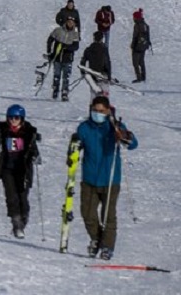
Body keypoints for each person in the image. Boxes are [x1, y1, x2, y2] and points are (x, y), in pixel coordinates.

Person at [75, 95, 138, 260]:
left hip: (110, 179)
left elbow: (132, 144)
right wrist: (73, 149)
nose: (98, 114)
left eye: (101, 111)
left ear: (108, 111)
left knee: (107, 215)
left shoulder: (114, 127)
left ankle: (107, 247)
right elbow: (76, 144)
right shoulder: (84, 128)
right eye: (95, 111)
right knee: (87, 213)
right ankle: (96, 239)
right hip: (89, 179)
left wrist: (124, 136)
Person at [0, 105, 40, 238]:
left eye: (16, 118)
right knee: (11, 197)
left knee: (22, 196)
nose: (13, 121)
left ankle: (23, 218)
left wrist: (36, 156)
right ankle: (16, 223)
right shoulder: (3, 131)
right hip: (7, 169)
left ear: (21, 119)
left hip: (23, 170)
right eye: (10, 118)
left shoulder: (28, 133)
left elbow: (33, 149)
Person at [46, 17, 81, 101]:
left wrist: (66, 47)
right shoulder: (58, 30)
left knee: (66, 76)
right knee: (56, 75)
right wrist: (49, 51)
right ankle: (55, 90)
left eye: (72, 22)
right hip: (57, 58)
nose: (70, 23)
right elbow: (50, 40)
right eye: (69, 22)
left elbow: (76, 46)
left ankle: (65, 92)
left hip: (68, 58)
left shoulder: (75, 33)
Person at [79, 31, 112, 96]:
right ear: (102, 38)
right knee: (104, 96)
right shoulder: (104, 49)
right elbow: (107, 63)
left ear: (94, 38)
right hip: (103, 75)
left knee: (94, 95)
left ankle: (93, 105)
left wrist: (83, 73)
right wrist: (109, 76)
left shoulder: (88, 49)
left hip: (92, 75)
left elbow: (82, 62)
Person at [129, 9, 151, 83]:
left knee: (135, 62)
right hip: (144, 46)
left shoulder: (137, 25)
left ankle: (138, 78)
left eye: (134, 17)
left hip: (137, 47)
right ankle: (143, 76)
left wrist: (132, 45)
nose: (133, 18)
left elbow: (135, 36)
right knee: (141, 62)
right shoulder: (145, 24)